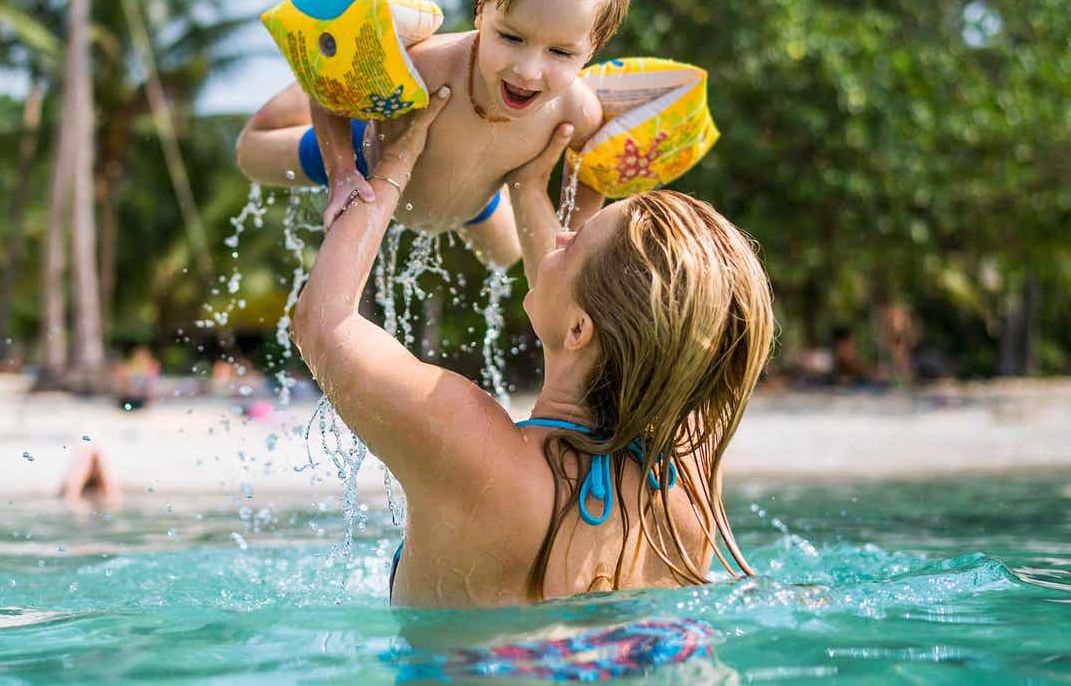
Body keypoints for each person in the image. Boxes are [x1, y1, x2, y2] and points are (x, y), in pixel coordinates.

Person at [290, 90, 774, 608]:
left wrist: (393, 162)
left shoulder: (473, 447)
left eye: (578, 239)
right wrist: (528, 190)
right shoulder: (692, 471)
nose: (559, 240)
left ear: (579, 331)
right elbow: (602, 320)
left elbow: (324, 324)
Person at [237, 0, 632, 265]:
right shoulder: (426, 67)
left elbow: (589, 174)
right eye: (511, 38)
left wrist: (575, 237)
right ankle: (317, 72)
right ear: (481, 10)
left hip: (473, 204)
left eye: (560, 53)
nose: (528, 71)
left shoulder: (578, 112)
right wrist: (342, 171)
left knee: (506, 256)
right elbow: (331, 95)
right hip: (366, 152)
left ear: (594, 46)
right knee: (251, 155)